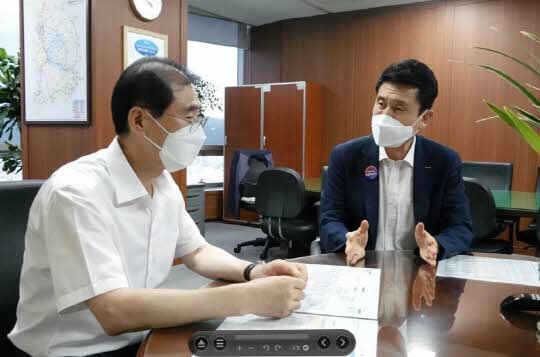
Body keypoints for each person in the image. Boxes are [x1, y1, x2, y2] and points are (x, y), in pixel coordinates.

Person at [9, 57, 308, 357]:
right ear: (139, 120)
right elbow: (113, 311)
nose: (197, 131)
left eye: (198, 117)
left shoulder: (161, 181)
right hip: (75, 351)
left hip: (145, 335)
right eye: (188, 118)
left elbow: (198, 252)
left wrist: (254, 271)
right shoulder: (75, 193)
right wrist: (246, 298)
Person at [320, 59, 473, 266]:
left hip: (418, 274)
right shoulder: (346, 156)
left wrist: (437, 244)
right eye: (381, 104)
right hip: (362, 270)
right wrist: (346, 239)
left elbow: (460, 227)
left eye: (399, 109)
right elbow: (329, 219)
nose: (384, 116)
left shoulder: (444, 161)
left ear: (425, 118)